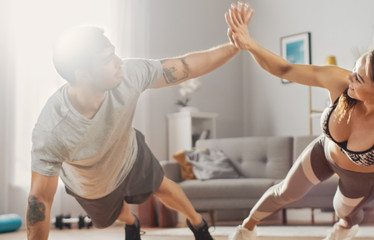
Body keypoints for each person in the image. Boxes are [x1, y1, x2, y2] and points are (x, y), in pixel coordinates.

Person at [225, 3, 374, 240]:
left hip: (363, 178)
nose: (349, 76)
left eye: (359, 78)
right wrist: (250, 44)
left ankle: (345, 226)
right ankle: (246, 228)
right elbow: (285, 69)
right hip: (326, 151)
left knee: (342, 210)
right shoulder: (340, 82)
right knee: (285, 192)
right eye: (354, 67)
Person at [26, 23, 246, 240]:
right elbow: (40, 201)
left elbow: (185, 66)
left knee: (164, 188)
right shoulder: (52, 130)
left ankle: (199, 224)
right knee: (111, 218)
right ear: (82, 75)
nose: (119, 62)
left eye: (114, 54)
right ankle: (132, 222)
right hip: (91, 183)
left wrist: (235, 46)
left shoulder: (128, 74)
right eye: (107, 59)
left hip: (129, 153)